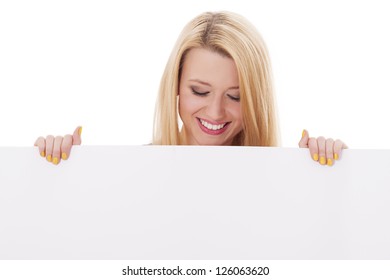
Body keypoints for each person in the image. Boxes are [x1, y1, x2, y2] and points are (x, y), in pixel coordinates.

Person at [34, 11, 347, 166]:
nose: (215, 112)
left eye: (235, 96)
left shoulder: (282, 180)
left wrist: (327, 179)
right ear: (177, 87)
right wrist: (62, 169)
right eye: (200, 91)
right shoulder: (131, 171)